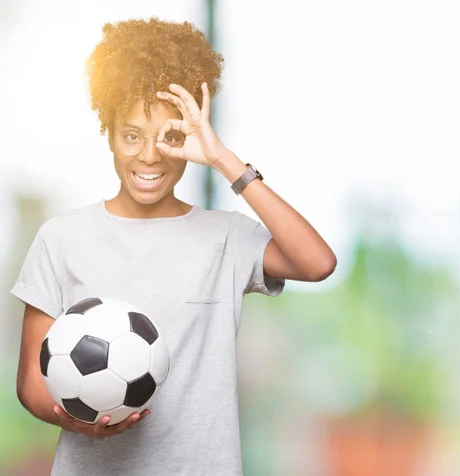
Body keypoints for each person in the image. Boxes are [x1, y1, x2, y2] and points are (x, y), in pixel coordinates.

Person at [11, 17, 336, 476]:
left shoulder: (225, 237)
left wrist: (224, 160)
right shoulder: (62, 238)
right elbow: (30, 383)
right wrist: (79, 423)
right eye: (131, 135)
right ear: (108, 133)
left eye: (171, 137)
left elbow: (318, 262)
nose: (149, 156)